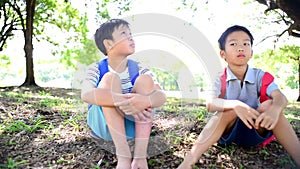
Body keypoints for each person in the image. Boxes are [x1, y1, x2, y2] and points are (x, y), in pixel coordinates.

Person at [178, 25, 300, 168]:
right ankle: (187, 163)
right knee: (228, 110)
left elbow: (280, 97)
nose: (240, 48)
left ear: (251, 52)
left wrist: (275, 109)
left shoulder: (260, 76)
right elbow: (210, 103)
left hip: (256, 129)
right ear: (223, 54)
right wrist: (236, 105)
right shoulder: (219, 77)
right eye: (233, 44)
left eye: (246, 44)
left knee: (269, 105)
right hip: (227, 133)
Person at [81, 19, 166, 169]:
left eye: (130, 33)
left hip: (134, 126)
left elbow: (161, 96)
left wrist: (144, 100)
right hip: (105, 126)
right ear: (108, 44)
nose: (131, 37)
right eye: (124, 34)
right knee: (109, 79)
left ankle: (140, 157)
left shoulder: (139, 68)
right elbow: (86, 94)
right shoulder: (96, 68)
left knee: (146, 81)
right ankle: (124, 157)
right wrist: (125, 101)